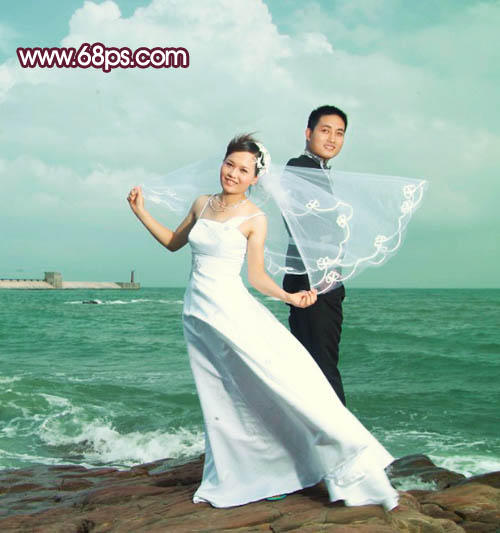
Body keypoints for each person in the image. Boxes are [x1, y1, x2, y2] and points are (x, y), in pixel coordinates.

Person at [127, 133, 399, 510]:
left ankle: (330, 459)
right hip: (197, 314)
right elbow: (174, 242)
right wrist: (140, 211)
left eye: (244, 170)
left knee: (274, 384)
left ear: (255, 178)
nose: (233, 174)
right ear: (222, 163)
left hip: (231, 312)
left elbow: (256, 277)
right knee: (222, 397)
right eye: (230, 164)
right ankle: (248, 473)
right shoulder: (202, 204)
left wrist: (290, 297)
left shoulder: (255, 218)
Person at [283, 105, 349, 405]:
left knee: (315, 365)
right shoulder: (301, 167)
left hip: (319, 281)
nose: (332, 138)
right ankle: (342, 430)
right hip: (312, 284)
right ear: (309, 133)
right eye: (325, 130)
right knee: (321, 366)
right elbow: (305, 222)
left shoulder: (317, 170)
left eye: (339, 133)